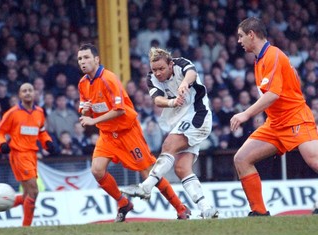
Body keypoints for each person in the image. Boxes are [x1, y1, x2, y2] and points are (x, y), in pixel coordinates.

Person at [77, 43, 190, 222]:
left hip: (127, 133)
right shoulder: (83, 84)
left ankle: (180, 208)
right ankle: (123, 203)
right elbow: (84, 110)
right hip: (107, 135)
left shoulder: (109, 79)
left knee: (149, 172)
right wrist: (86, 112)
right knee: (97, 171)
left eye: (86, 57)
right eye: (80, 59)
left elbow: (120, 110)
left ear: (96, 59)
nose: (83, 62)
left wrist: (93, 120)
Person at [230, 17, 318, 217]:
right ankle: (259, 213)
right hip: (275, 124)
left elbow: (273, 94)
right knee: (242, 159)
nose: (239, 41)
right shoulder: (260, 60)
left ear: (251, 34)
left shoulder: (273, 56)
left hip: (296, 118)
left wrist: (246, 114)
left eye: (241, 36)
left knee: (314, 161)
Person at [122, 47, 218, 219]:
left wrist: (183, 84)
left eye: (161, 69)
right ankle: (206, 209)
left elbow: (192, 74)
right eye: (154, 69)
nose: (158, 73)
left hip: (198, 116)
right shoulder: (151, 78)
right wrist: (173, 102)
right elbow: (157, 100)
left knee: (168, 145)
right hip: (182, 121)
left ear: (170, 64)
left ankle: (146, 187)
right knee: (181, 168)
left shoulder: (181, 64)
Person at [0, 83, 54, 227]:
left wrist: (47, 142)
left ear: (35, 93)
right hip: (19, 154)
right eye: (24, 91)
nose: (27, 93)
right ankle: (26, 227)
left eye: (30, 90)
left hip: (32, 155)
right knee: (34, 191)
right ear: (19, 95)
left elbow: (41, 131)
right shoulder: (12, 113)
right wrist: (1, 145)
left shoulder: (39, 112)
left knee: (27, 195)